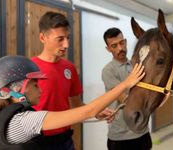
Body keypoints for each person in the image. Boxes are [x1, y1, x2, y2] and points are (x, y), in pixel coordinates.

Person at [0, 55, 144, 150]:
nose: (41, 90)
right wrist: (126, 84)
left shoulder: (2, 118)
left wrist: (95, 114)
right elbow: (88, 111)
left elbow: (82, 114)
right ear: (17, 88)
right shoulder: (25, 121)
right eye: (35, 85)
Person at [31, 11, 113, 149]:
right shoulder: (29, 68)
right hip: (37, 141)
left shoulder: (69, 68)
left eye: (68, 38)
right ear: (42, 38)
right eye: (60, 39)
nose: (66, 44)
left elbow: (77, 105)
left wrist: (96, 112)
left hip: (65, 140)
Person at [102, 27, 152, 150]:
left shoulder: (137, 66)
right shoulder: (108, 71)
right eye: (114, 46)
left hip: (142, 132)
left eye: (121, 43)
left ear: (125, 42)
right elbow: (124, 98)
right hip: (121, 137)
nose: (120, 48)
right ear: (108, 49)